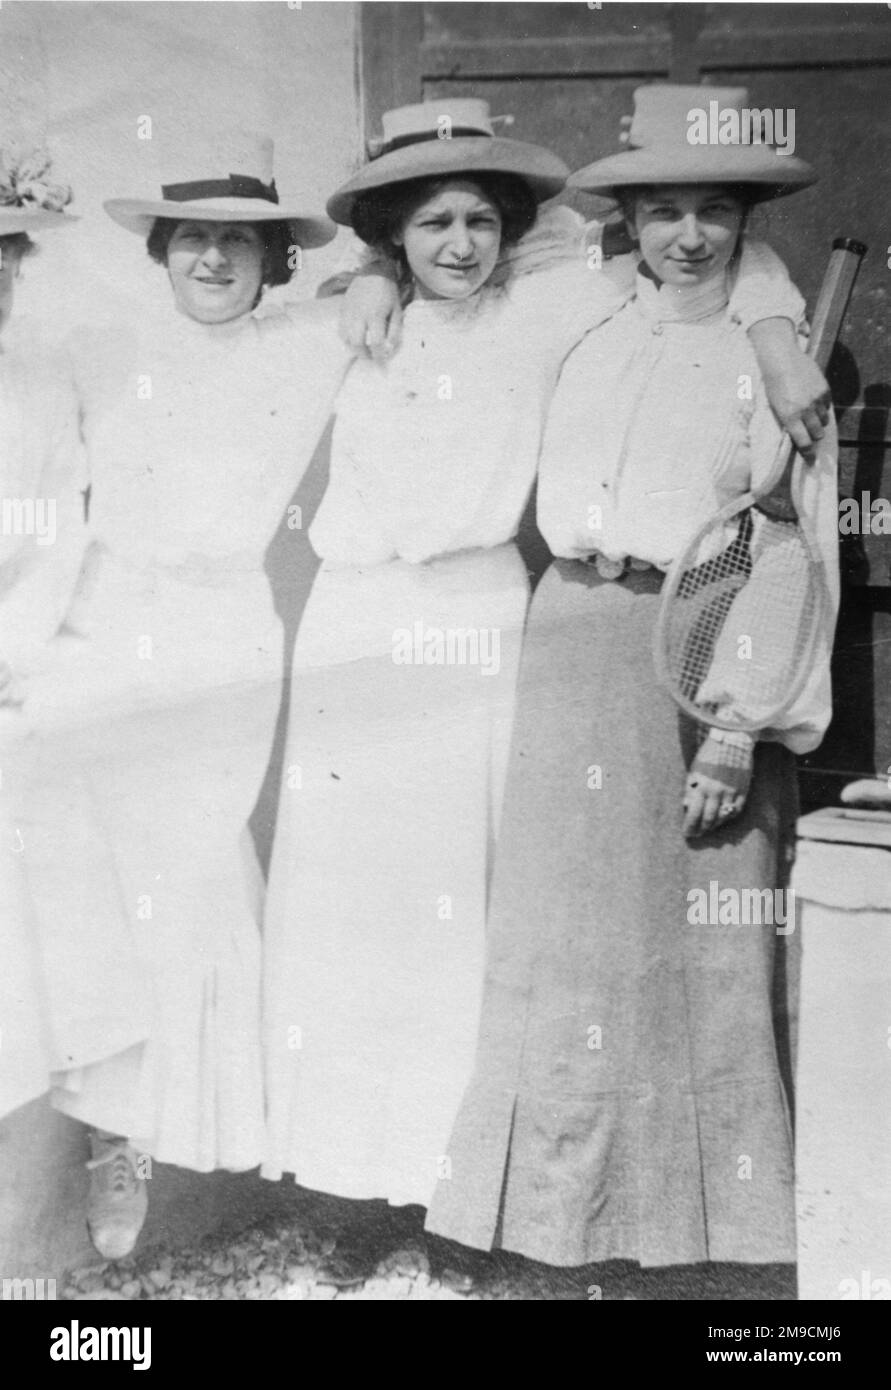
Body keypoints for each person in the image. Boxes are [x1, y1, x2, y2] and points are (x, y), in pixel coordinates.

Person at [261, 98, 826, 1285]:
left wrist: (779, 337)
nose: (459, 243)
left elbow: (731, 267)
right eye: (430, 224)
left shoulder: (587, 309)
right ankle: (411, 1188)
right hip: (449, 626)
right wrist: (353, 283)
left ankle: (673, 1224)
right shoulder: (472, 316)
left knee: (580, 923)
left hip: (587, 624)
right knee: (438, 917)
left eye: (480, 219)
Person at [425, 86, 839, 1272]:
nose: (689, 236)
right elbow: (449, 275)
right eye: (663, 211)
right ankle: (555, 1222)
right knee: (568, 938)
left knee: (697, 939)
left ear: (750, 221)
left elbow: (784, 544)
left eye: (716, 210)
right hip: (571, 638)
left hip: (698, 648)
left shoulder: (788, 361)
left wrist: (733, 726)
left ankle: (708, 1236)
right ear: (632, 221)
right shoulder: (590, 319)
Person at [20, 130, 352, 1259]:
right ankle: (78, 1145)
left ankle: (171, 1149)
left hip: (216, 638)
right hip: (92, 634)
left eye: (240, 241)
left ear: (274, 259)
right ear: (162, 250)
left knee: (191, 878)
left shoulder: (315, 342)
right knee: (86, 892)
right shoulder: (93, 346)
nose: (215, 259)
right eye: (196, 238)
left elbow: (538, 260)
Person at [0, 145, 87, 1122]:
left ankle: (49, 1110)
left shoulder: (36, 382)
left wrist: (12, 647)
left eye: (2, 261)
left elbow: (59, 524)